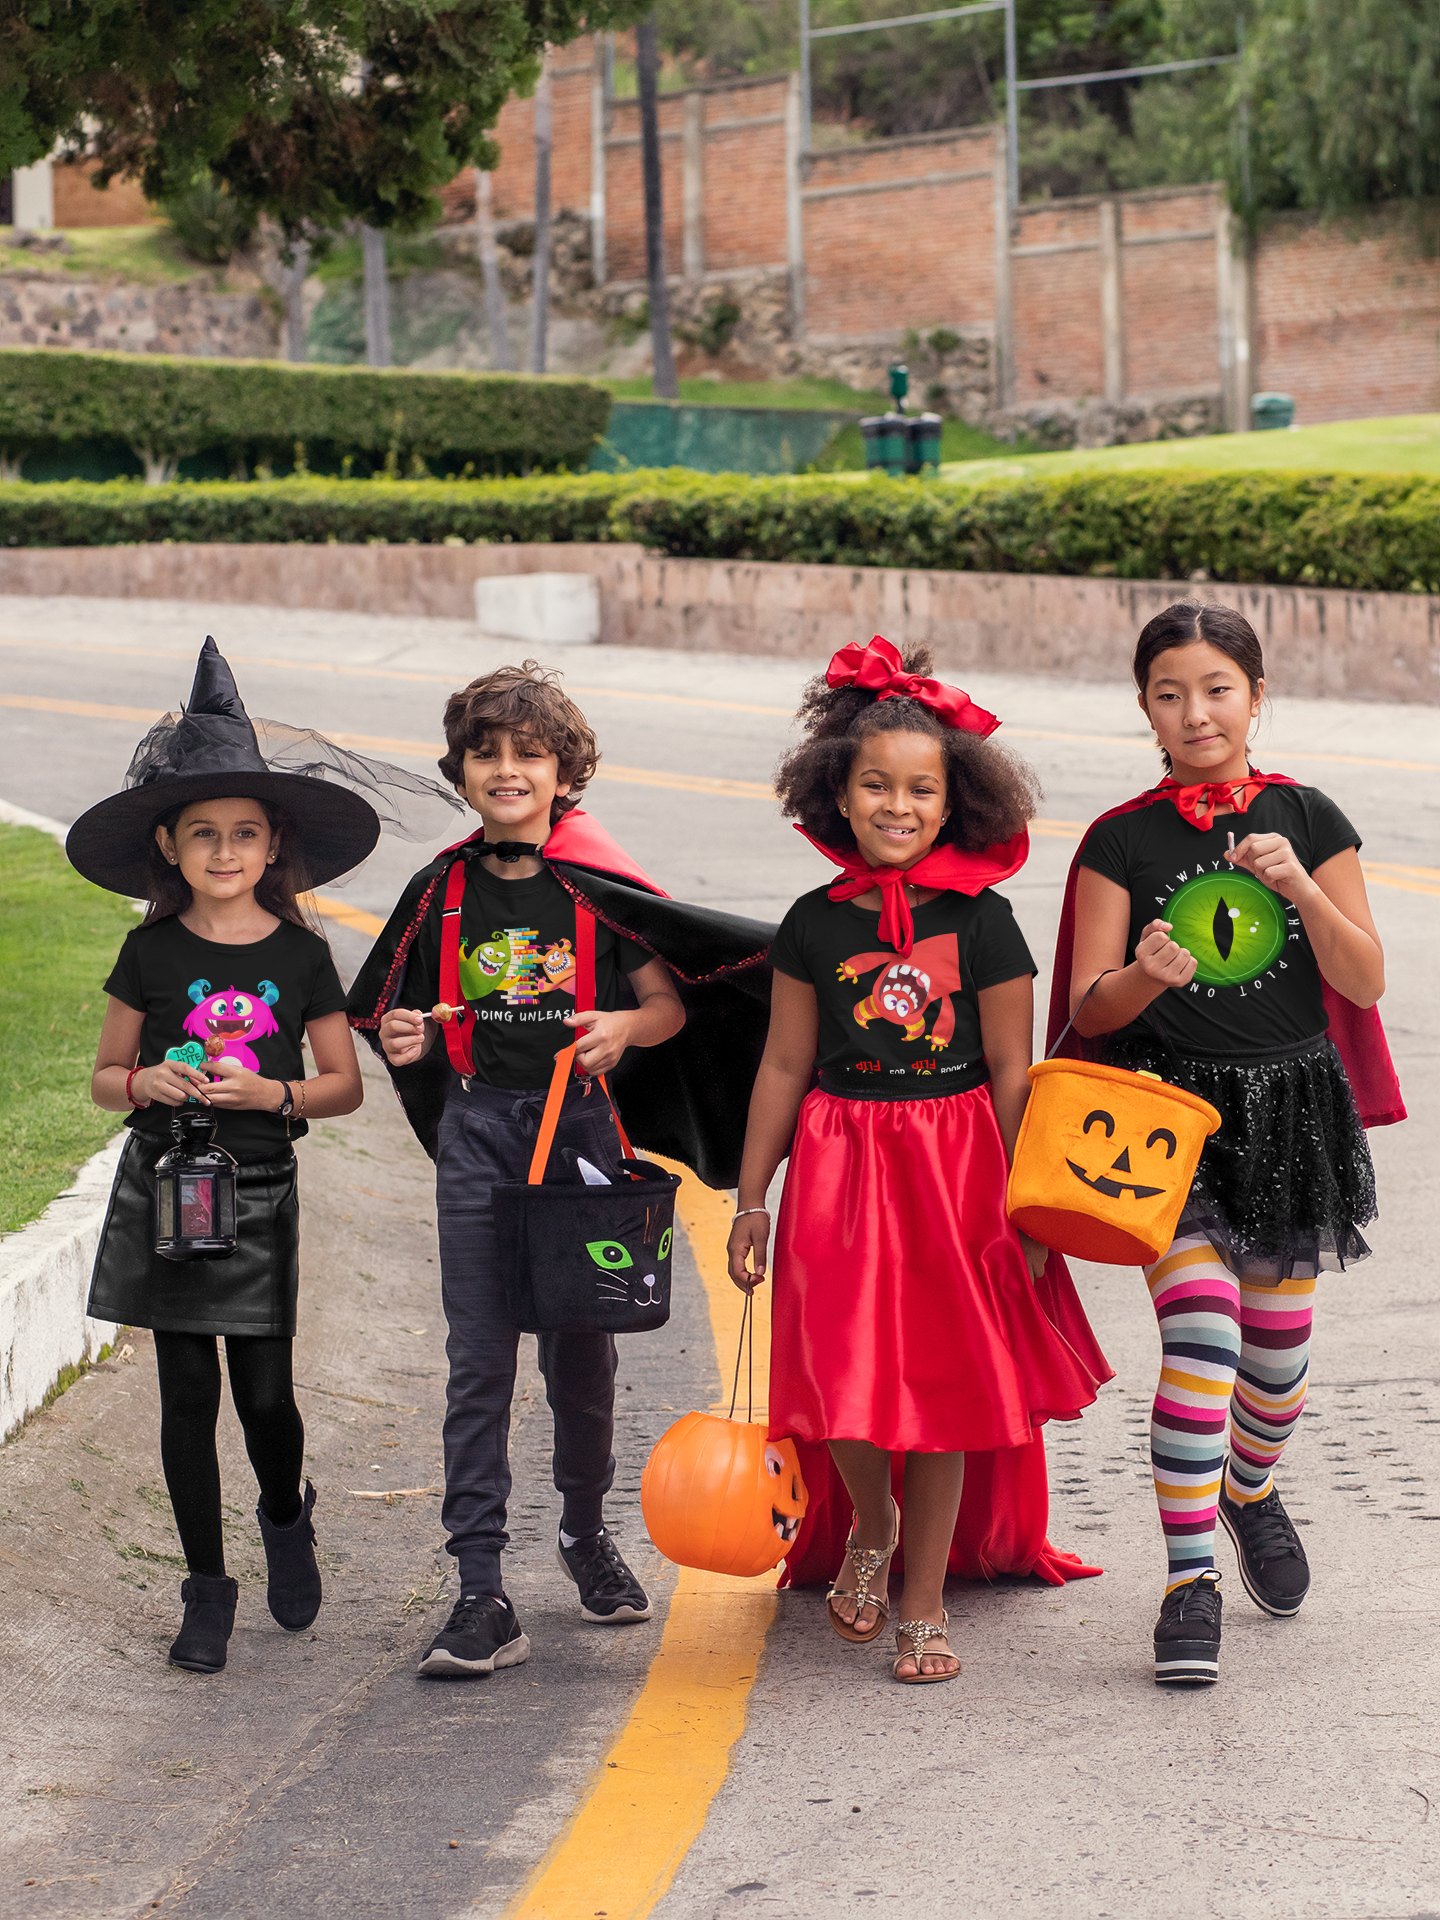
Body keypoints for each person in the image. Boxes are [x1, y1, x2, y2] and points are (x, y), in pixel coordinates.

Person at [348, 661, 774, 1679]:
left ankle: (585, 1534)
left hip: (581, 1144)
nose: (506, 769)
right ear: (460, 770)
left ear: (563, 773)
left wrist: (628, 1024)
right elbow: (393, 1015)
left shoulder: (591, 890)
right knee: (479, 1361)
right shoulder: (439, 892)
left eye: (528, 753)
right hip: (479, 1142)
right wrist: (406, 1035)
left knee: (581, 1360)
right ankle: (481, 1588)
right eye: (486, 753)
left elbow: (671, 1006)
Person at [726, 636, 1111, 1686]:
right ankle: (872, 1520)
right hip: (841, 1164)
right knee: (838, 1373)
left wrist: (1033, 1210)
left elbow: (1012, 1074)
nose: (899, 805)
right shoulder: (811, 924)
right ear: (837, 797)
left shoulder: (985, 925)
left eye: (922, 790)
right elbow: (783, 1066)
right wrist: (752, 1198)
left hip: (958, 1169)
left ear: (955, 804)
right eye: (876, 785)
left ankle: (923, 1604)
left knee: (943, 1389)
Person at [70, 637, 449, 1676]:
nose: (225, 851)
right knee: (185, 1395)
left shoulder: (296, 954)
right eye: (204, 834)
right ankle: (205, 1587)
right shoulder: (148, 952)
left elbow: (343, 1084)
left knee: (265, 1396)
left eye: (244, 833)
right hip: (165, 1188)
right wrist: (144, 1083)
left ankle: (286, 1511)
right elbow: (106, 1074)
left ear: (272, 841)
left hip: (259, 1190)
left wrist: (273, 1092)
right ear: (171, 844)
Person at [1051, 601, 1404, 1687]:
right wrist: (1143, 979)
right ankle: (1187, 1580)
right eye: (1170, 692)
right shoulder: (1120, 838)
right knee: (1202, 1340)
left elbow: (1365, 979)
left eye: (1216, 688)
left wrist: (1298, 881)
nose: (1195, 711)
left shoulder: (1309, 814)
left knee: (1280, 1367)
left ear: (1256, 695)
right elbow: (1087, 1006)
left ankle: (1250, 1485)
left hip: (1293, 1114)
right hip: (1168, 1122)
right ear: (1146, 707)